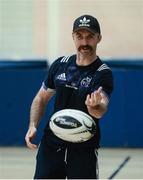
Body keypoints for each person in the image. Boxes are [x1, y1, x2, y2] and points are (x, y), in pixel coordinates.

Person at [25, 14, 113, 179]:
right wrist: (33, 125)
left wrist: (95, 107)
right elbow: (40, 99)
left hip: (83, 147)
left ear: (99, 38)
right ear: (73, 37)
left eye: (90, 37)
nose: (84, 43)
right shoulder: (60, 65)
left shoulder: (103, 73)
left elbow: (101, 107)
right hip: (51, 146)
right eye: (79, 36)